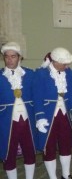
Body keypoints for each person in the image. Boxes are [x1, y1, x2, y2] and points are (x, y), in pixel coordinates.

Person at [33, 47, 72, 179]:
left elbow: (71, 94)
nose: (67, 66)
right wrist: (40, 117)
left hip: (64, 114)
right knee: (49, 147)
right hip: (48, 115)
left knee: (66, 143)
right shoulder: (41, 74)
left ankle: (66, 174)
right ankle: (52, 176)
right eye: (64, 63)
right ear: (54, 61)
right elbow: (37, 97)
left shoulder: (68, 73)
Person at [0, 42, 36, 179]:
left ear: (19, 57)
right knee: (9, 153)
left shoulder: (31, 74)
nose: (9, 59)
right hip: (6, 121)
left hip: (28, 120)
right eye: (6, 56)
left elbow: (37, 95)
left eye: (13, 56)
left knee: (30, 151)